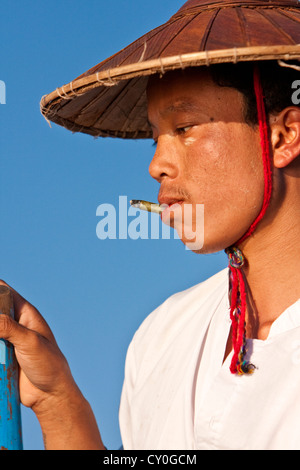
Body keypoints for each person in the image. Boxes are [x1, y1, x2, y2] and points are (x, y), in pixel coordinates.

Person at [2, 0, 300, 449]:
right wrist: (58, 402)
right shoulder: (163, 336)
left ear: (284, 136)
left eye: (185, 128)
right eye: (156, 134)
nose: (157, 165)